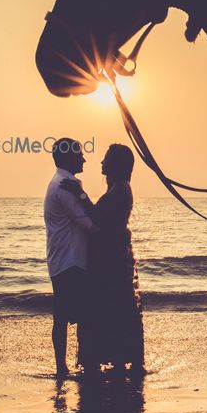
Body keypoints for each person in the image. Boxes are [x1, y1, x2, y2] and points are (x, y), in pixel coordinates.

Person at [60, 144, 145, 375]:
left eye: (105, 159)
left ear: (116, 163)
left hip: (112, 261)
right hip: (112, 257)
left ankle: (114, 360)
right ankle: (117, 359)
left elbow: (97, 216)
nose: (100, 162)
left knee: (111, 308)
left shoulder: (120, 190)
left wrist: (80, 194)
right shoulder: (119, 188)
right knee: (113, 309)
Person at [43, 137, 97, 377]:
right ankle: (67, 366)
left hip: (62, 258)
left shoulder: (60, 183)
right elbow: (88, 224)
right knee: (78, 315)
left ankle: (66, 366)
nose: (84, 158)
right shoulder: (65, 185)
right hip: (71, 260)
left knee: (65, 314)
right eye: (79, 154)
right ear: (68, 158)